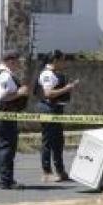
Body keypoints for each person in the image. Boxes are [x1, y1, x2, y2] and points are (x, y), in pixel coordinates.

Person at [0, 49, 30, 190]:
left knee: (2, 146)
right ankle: (7, 181)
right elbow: (2, 96)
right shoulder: (4, 76)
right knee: (8, 148)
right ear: (10, 60)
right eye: (17, 61)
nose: (19, 64)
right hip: (4, 116)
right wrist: (20, 92)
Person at [35, 50, 78, 183]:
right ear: (55, 60)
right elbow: (48, 93)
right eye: (62, 60)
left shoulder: (55, 74)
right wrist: (67, 88)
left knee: (58, 141)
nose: (64, 63)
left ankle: (60, 171)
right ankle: (46, 172)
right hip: (48, 109)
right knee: (48, 141)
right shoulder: (47, 74)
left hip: (56, 109)